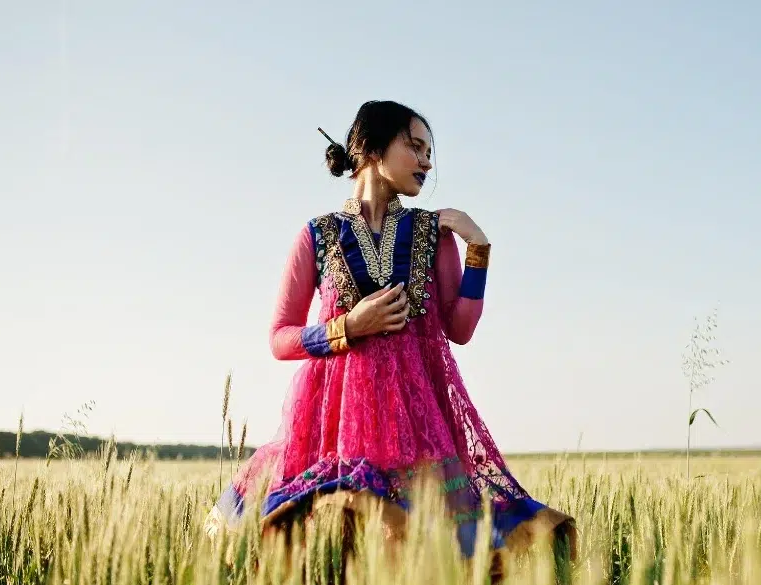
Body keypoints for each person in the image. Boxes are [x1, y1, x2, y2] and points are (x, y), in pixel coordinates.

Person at [205, 100, 575, 575]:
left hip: (417, 431)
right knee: (330, 554)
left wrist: (478, 251)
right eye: (415, 147)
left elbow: (459, 329)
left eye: (429, 151)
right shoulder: (318, 235)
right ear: (373, 148)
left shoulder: (431, 233)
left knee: (432, 557)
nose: (427, 161)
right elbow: (280, 338)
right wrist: (347, 327)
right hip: (331, 431)